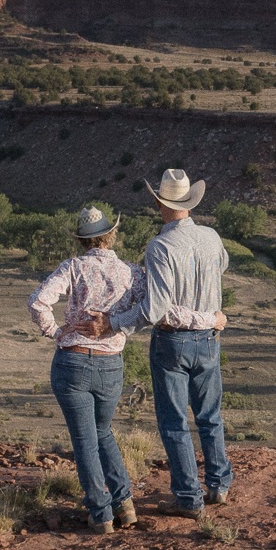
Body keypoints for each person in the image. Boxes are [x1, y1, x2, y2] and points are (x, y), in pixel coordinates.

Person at [85, 168, 231, 516]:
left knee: (174, 421)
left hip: (173, 342)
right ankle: (219, 485)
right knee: (210, 415)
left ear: (158, 203)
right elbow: (221, 266)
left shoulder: (160, 245)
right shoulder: (211, 237)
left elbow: (155, 309)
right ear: (189, 201)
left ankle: (188, 497)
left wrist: (114, 323)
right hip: (210, 336)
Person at [28, 206, 146, 533]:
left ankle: (100, 514)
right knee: (102, 431)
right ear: (112, 234)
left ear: (82, 240)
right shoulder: (132, 272)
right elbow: (149, 310)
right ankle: (125, 504)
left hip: (73, 360)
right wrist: (117, 324)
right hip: (111, 364)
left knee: (84, 440)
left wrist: (54, 331)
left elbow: (38, 301)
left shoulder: (73, 267)